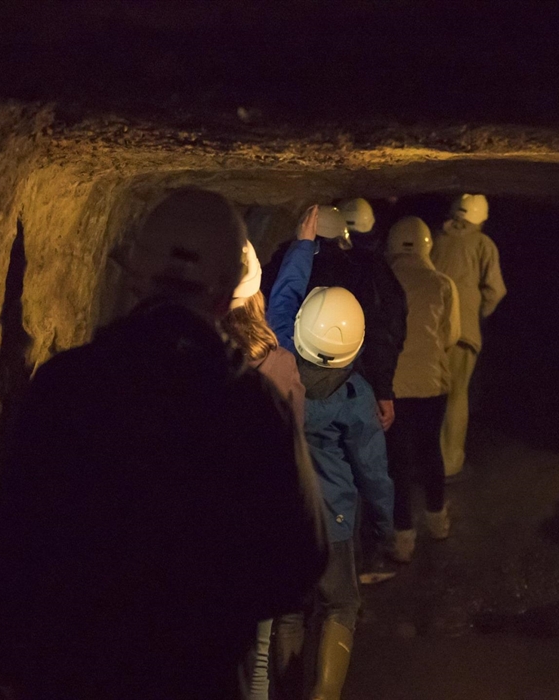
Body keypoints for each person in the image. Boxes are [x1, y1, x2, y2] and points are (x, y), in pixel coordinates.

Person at [0, 189, 326, 700]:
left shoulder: (66, 387)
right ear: (224, 295)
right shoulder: (253, 408)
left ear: (133, 274)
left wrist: (26, 670)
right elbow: (298, 562)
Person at [267, 206, 395, 700]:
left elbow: (283, 299)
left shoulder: (279, 358)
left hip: (284, 514)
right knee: (341, 607)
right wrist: (383, 527)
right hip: (334, 521)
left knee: (290, 610)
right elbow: (373, 471)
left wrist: (303, 247)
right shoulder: (354, 396)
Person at [222, 241, 307, 700]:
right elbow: (294, 449)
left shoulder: (188, 365)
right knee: (256, 650)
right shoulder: (278, 365)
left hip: (199, 533)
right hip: (260, 527)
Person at [261, 200, 407, 432]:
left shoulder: (278, 266)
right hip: (346, 385)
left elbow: (279, 306)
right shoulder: (361, 271)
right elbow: (379, 331)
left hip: (285, 385)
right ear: (342, 235)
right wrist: (382, 390)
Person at [384, 217, 461, 562]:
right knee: (430, 451)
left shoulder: (381, 283)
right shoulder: (442, 284)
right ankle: (438, 521)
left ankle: (403, 537)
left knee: (397, 461)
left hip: (393, 385)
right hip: (431, 381)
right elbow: (451, 336)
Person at [431, 193, 507, 480]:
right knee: (456, 395)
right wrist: (477, 315)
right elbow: (495, 290)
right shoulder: (483, 244)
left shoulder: (434, 239)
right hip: (463, 336)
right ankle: (449, 463)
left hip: (431, 332)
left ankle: (425, 458)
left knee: (429, 395)